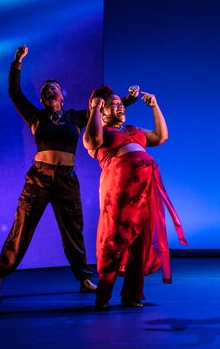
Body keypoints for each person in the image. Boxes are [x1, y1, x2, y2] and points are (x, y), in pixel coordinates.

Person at [0, 45, 138, 299]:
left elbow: (100, 111)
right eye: (45, 89)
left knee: (73, 230)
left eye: (53, 87)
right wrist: (17, 63)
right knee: (22, 227)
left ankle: (83, 279)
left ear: (61, 96)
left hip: (67, 179)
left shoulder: (74, 118)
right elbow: (14, 92)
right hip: (39, 179)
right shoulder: (35, 116)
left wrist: (125, 100)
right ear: (42, 98)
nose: (49, 90)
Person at [83, 84, 186, 309]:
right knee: (114, 239)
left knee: (140, 241)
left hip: (143, 192)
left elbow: (161, 137)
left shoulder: (133, 131)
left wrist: (154, 106)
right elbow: (91, 141)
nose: (120, 107)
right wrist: (94, 109)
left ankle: (131, 294)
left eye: (121, 104)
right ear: (102, 110)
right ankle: (104, 293)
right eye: (113, 104)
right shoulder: (100, 131)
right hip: (118, 193)